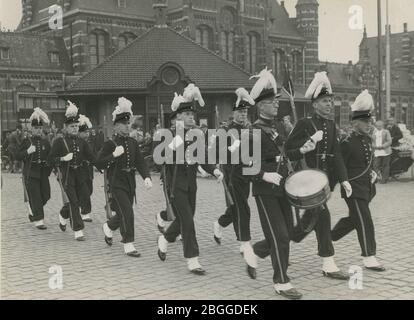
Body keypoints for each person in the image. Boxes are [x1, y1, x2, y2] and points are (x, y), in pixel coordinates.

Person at [285, 71, 351, 281]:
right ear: (314, 104)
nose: (329, 105)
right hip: (306, 181)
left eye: (330, 101)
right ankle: (328, 263)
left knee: (309, 223)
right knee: (323, 217)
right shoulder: (305, 124)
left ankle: (273, 244)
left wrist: (344, 180)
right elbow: (288, 150)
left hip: (324, 183)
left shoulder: (331, 126)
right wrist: (305, 146)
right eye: (324, 101)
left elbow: (337, 156)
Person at [243, 68, 302, 299]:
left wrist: (301, 150)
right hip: (265, 191)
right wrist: (263, 175)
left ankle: (254, 251)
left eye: (276, 101)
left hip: (283, 188)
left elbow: (285, 154)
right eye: (271, 102)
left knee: (286, 233)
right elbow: (245, 165)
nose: (276, 105)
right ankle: (281, 281)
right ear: (260, 106)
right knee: (280, 236)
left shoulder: (278, 128)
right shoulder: (253, 131)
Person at [156, 84, 224, 275]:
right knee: (187, 221)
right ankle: (192, 259)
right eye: (187, 115)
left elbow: (204, 158)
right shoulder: (168, 134)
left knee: (185, 219)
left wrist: (215, 170)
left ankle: (165, 239)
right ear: (178, 117)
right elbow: (161, 158)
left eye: (193, 115)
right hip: (175, 184)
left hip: (190, 184)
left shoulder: (196, 135)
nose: (192, 118)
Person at [332, 90, 385, 272]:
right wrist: (342, 182)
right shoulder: (347, 141)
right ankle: (369, 257)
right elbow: (339, 165)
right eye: (366, 122)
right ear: (355, 122)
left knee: (356, 219)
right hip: (352, 188)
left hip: (366, 188)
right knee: (365, 220)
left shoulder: (366, 139)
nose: (370, 125)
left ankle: (328, 236)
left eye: (370, 121)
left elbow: (367, 160)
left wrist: (373, 173)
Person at [97, 97, 153, 257]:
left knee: (122, 213)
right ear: (116, 126)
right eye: (123, 124)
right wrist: (113, 155)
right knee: (128, 213)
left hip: (129, 183)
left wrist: (146, 177)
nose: (127, 127)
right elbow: (99, 163)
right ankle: (128, 243)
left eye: (128, 124)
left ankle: (108, 227)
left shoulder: (133, 143)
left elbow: (140, 162)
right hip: (116, 182)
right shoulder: (110, 144)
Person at [212, 88, 256, 264]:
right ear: (234, 113)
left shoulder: (250, 129)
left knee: (236, 207)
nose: (243, 115)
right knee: (242, 208)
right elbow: (217, 151)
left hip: (246, 174)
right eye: (240, 111)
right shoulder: (226, 129)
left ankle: (220, 224)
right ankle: (244, 242)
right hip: (232, 173)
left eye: (245, 112)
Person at [48, 101, 96, 241]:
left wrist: (104, 164)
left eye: (76, 126)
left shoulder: (82, 142)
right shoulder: (59, 141)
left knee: (83, 197)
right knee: (74, 201)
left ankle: (63, 215)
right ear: (66, 127)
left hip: (80, 174)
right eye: (72, 126)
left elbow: (92, 157)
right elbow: (50, 160)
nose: (75, 129)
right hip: (66, 174)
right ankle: (78, 230)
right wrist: (62, 159)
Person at [16, 108, 52, 229]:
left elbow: (50, 157)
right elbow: (17, 156)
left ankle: (33, 208)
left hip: (43, 173)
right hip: (31, 172)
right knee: (35, 196)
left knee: (46, 195)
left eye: (40, 128)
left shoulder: (46, 142)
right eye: (36, 128)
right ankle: (39, 220)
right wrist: (27, 151)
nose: (38, 130)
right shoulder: (27, 141)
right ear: (32, 128)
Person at [78, 115, 94, 222]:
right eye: (84, 132)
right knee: (84, 191)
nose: (86, 134)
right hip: (80, 170)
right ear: (79, 133)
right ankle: (85, 212)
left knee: (89, 190)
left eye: (87, 132)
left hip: (89, 170)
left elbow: (94, 155)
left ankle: (81, 206)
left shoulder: (90, 142)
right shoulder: (77, 143)